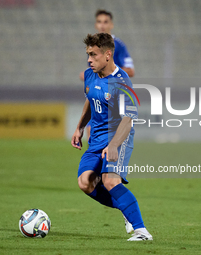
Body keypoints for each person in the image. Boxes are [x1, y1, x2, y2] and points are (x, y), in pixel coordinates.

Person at [71, 33, 152, 241]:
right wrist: (80, 127)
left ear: (107, 55)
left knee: (110, 180)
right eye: (88, 54)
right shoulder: (90, 75)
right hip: (96, 139)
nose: (89, 59)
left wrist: (115, 145)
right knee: (85, 182)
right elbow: (90, 99)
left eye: (93, 55)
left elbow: (128, 118)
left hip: (119, 136)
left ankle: (142, 231)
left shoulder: (122, 81)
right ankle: (125, 208)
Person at [81, 9, 135, 141]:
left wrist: (109, 73)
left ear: (111, 25)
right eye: (99, 22)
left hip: (112, 98)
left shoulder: (118, 45)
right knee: (91, 136)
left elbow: (131, 70)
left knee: (108, 141)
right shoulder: (93, 47)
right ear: (95, 25)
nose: (102, 25)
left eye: (106, 22)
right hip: (96, 96)